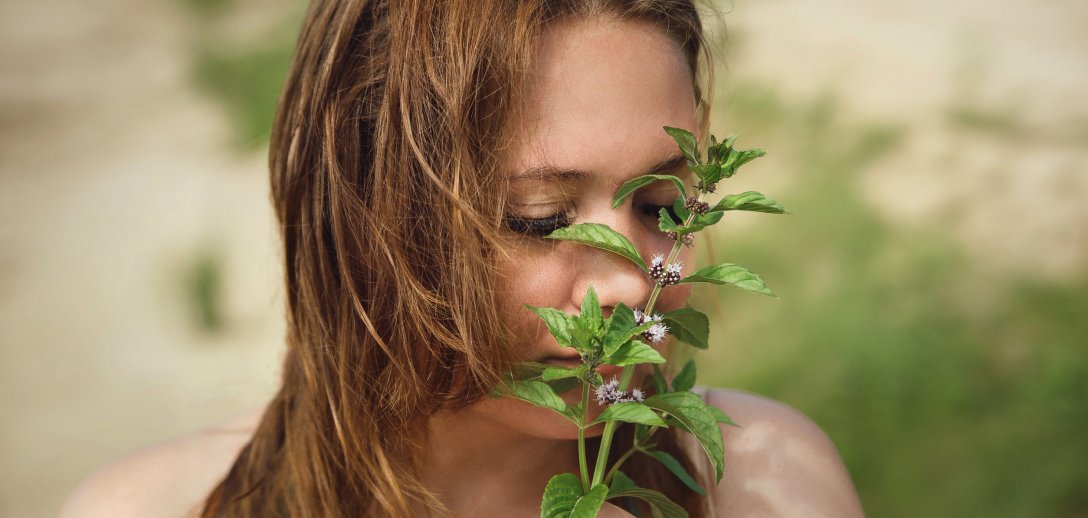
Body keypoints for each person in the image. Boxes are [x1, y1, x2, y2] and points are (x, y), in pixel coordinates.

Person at [62, 1, 864, 516]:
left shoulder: (766, 484)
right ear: (360, 218)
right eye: (539, 218)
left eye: (662, 209)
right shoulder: (153, 506)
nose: (634, 280)